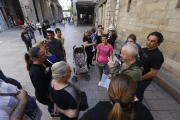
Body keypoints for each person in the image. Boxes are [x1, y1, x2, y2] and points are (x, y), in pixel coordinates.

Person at [79, 73, 154, 120]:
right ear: (133, 96)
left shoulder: (94, 114)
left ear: (108, 90)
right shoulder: (144, 112)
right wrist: (137, 103)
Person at [24, 47, 54, 115]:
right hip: (46, 96)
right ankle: (52, 112)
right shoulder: (35, 72)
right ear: (35, 58)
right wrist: (51, 98)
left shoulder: (42, 62)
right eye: (43, 55)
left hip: (50, 89)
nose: (46, 55)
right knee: (53, 106)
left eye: (44, 53)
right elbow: (41, 90)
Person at [136, 32, 164, 102]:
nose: (149, 42)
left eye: (152, 41)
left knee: (138, 96)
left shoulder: (158, 56)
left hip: (142, 80)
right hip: (137, 76)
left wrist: (141, 79)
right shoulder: (145, 49)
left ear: (158, 43)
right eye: (148, 40)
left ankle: (137, 110)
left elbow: (153, 73)